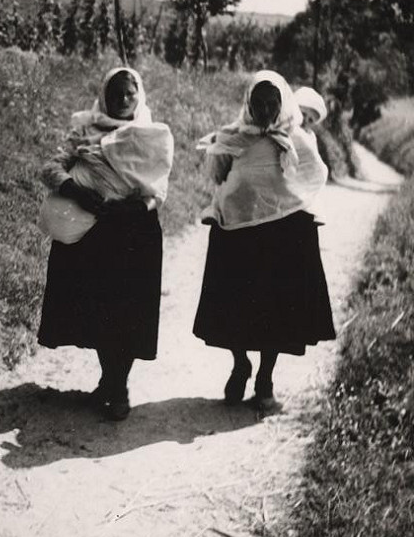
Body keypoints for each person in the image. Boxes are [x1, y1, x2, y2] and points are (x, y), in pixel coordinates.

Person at [193, 70, 335, 412]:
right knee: (235, 304)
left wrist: (294, 207)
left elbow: (314, 176)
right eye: (259, 102)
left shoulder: (295, 137)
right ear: (248, 103)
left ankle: (265, 378)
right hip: (238, 231)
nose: (266, 110)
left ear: (283, 103)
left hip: (282, 234)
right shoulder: (233, 136)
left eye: (273, 103)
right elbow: (216, 176)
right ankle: (241, 363)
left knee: (275, 309)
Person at [38, 67, 174, 421]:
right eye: (115, 94)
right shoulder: (85, 130)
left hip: (134, 231)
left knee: (128, 311)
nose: (122, 100)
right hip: (92, 228)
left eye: (129, 93)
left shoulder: (151, 134)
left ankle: (119, 384)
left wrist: (135, 207)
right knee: (99, 309)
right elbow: (51, 167)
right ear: (103, 96)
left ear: (139, 96)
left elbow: (158, 188)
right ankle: (109, 379)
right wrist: (74, 190)